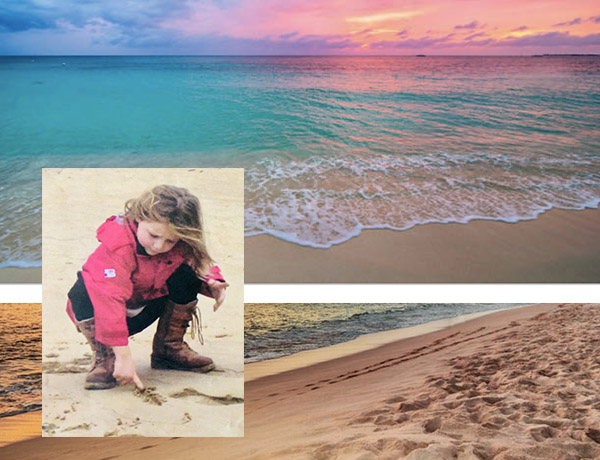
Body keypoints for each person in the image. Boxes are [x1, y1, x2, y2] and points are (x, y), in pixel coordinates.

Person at [65, 184, 228, 391]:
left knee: (187, 274)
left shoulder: (180, 242)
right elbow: (110, 298)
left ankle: (169, 349)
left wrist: (214, 282)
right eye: (154, 235)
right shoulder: (118, 245)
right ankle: (107, 357)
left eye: (170, 240)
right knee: (82, 289)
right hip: (104, 314)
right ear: (139, 217)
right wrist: (123, 357)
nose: (159, 246)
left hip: (145, 306)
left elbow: (199, 260)